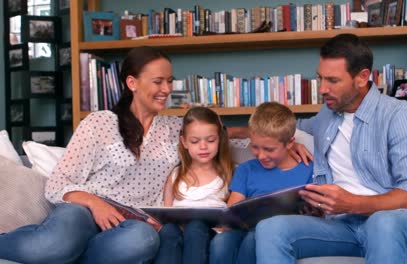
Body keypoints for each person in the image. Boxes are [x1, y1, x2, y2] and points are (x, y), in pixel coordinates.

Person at [0, 46, 244, 264]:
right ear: (132, 83)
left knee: (143, 241)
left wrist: (257, 133)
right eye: (158, 81)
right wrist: (95, 204)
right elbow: (57, 184)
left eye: (170, 81)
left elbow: (212, 132)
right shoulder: (99, 123)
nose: (167, 89)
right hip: (85, 212)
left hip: (133, 224)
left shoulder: (173, 128)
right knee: (55, 245)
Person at [255, 33, 407, 264]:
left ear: (362, 77)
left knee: (382, 222)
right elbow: (291, 128)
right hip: (342, 226)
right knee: (271, 228)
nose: (323, 89)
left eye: (333, 80)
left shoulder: (399, 116)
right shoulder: (326, 115)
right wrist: (289, 141)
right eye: (320, 79)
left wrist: (353, 203)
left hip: (400, 226)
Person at [210, 102, 314, 264]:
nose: (261, 156)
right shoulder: (246, 170)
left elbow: (315, 214)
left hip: (278, 231)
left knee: (253, 240)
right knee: (221, 242)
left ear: (290, 143)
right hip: (244, 228)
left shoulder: (308, 170)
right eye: (255, 147)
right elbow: (232, 212)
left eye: (269, 149)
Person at [157, 106, 235, 264]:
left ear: (220, 139)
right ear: (184, 142)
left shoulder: (229, 174)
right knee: (169, 230)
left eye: (211, 140)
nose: (203, 146)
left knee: (195, 227)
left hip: (209, 235)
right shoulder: (175, 175)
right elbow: (166, 213)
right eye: (195, 141)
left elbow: (235, 217)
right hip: (179, 234)